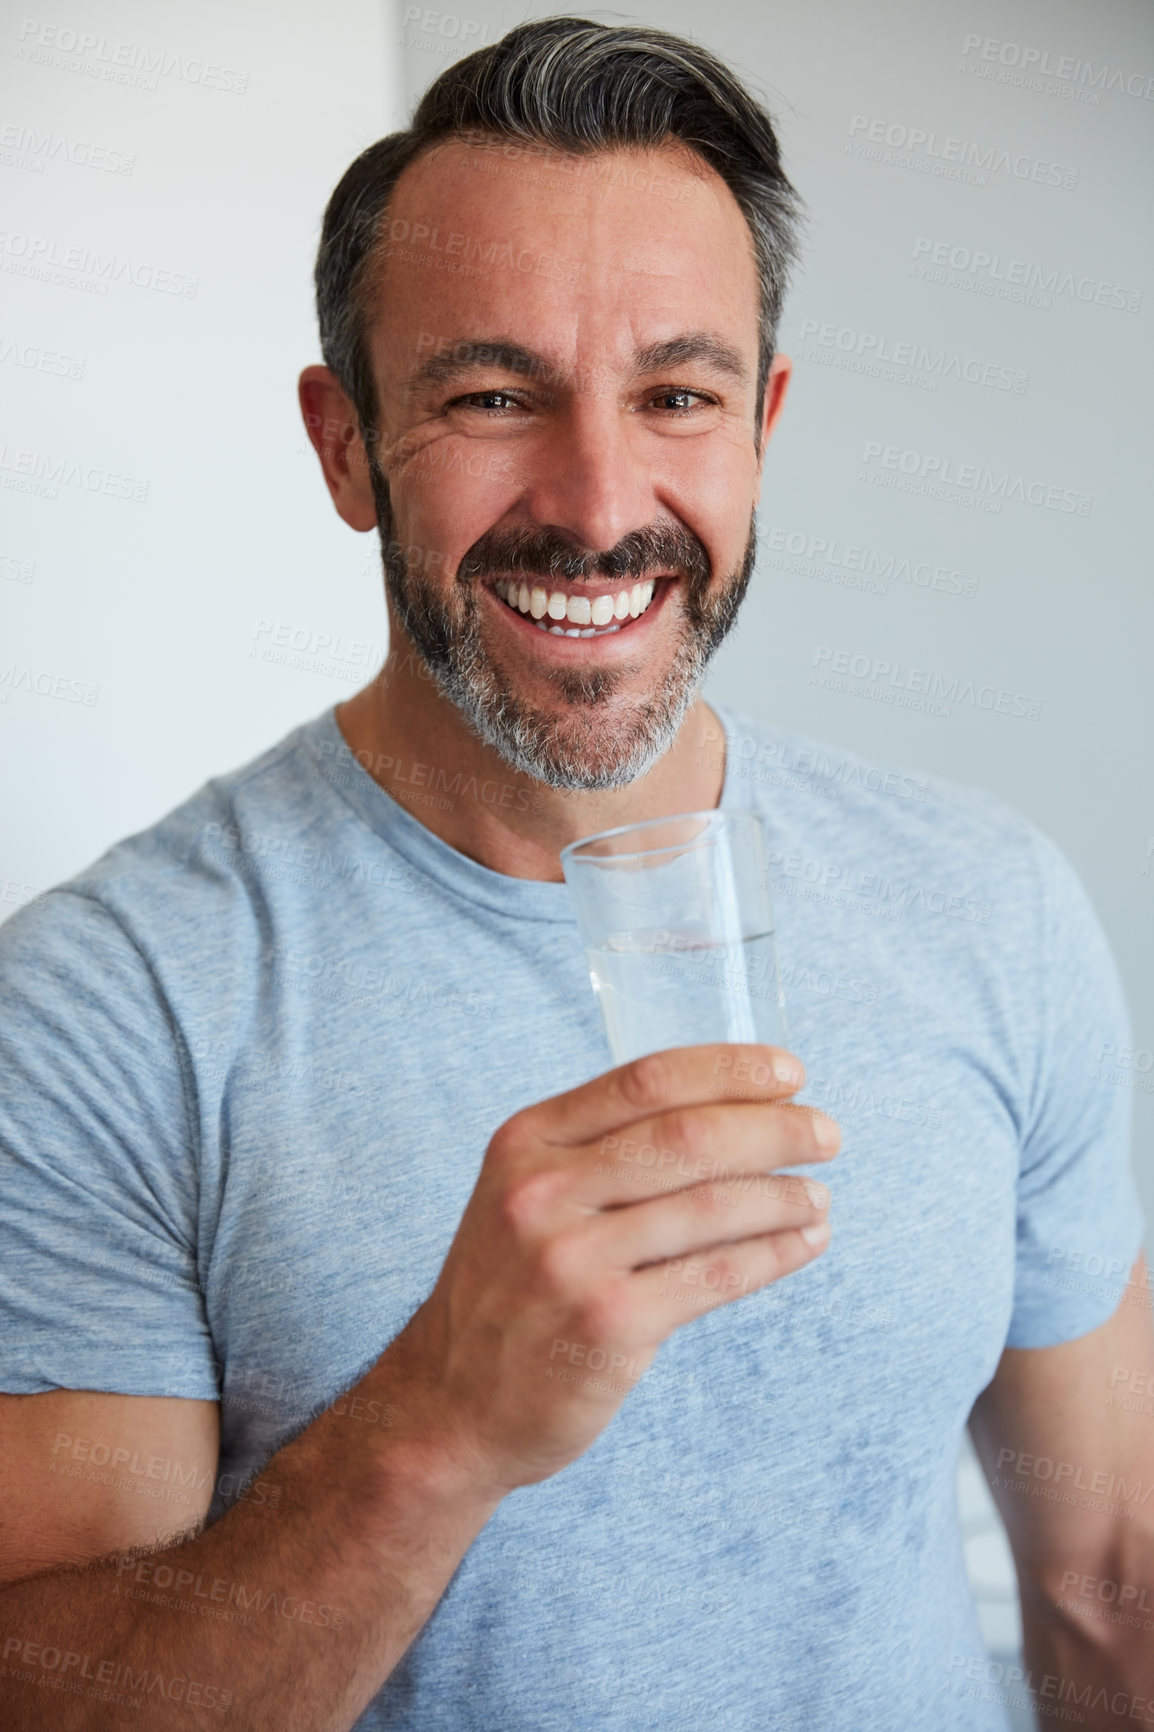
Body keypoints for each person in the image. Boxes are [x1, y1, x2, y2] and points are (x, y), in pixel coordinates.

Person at [0, 17, 1150, 1731]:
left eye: (675, 396)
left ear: (759, 425)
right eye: (490, 395)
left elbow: (1104, 1574)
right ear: (342, 445)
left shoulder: (987, 902)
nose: (600, 502)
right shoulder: (107, 1007)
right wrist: (438, 1426)